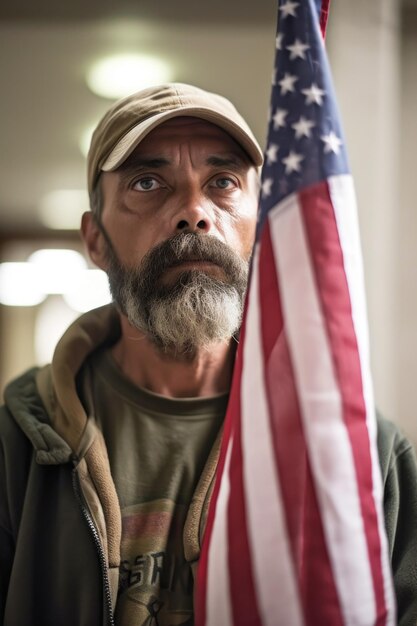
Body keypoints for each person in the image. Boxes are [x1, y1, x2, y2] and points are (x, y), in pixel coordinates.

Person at [0, 83, 416, 626]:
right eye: (148, 183)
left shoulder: (358, 454)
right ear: (95, 239)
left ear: (260, 227)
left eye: (222, 183)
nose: (194, 212)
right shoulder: (16, 445)